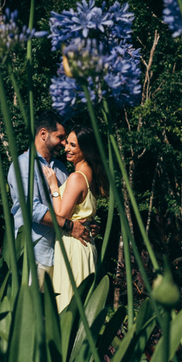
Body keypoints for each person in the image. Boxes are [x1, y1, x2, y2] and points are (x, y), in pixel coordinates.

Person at [5, 112, 92, 288]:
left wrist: (85, 225)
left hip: (61, 255)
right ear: (43, 134)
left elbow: (71, 207)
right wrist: (69, 226)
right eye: (60, 137)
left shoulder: (60, 168)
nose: (63, 143)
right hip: (35, 254)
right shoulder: (23, 165)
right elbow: (32, 209)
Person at [46, 125, 108, 311]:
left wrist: (53, 187)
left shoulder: (76, 177)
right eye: (67, 144)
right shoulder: (92, 175)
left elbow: (61, 215)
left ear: (85, 149)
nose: (67, 148)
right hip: (86, 245)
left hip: (72, 245)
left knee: (67, 301)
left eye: (73, 145)